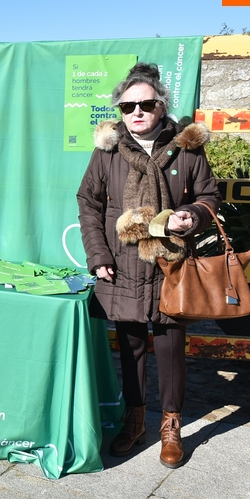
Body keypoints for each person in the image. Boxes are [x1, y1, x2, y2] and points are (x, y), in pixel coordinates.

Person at [77, 63, 220, 469]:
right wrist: (98, 255)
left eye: (146, 103)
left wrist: (193, 214)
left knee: (172, 346)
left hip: (171, 265)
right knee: (132, 347)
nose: (136, 112)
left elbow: (210, 195)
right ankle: (135, 420)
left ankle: (171, 427)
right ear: (120, 111)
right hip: (122, 264)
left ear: (162, 106)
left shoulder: (187, 148)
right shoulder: (107, 151)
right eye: (128, 106)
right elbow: (88, 203)